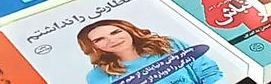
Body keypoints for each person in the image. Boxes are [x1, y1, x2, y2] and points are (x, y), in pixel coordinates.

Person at [78, 20, 222, 84]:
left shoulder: (168, 44)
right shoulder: (98, 76)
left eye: (116, 32)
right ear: (93, 47)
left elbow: (208, 71)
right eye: (99, 40)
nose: (112, 40)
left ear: (128, 30)